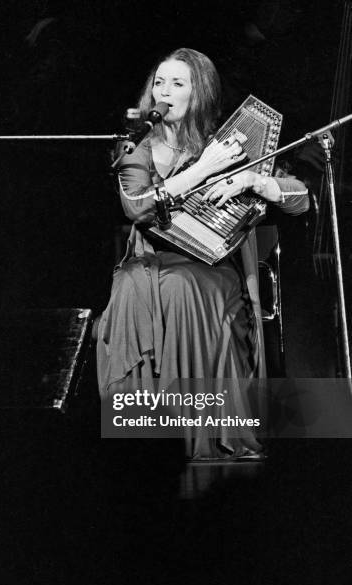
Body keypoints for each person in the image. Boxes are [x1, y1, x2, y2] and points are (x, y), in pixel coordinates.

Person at [97, 48, 309, 459]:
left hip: (210, 265)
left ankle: (207, 436)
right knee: (141, 287)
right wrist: (200, 169)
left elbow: (299, 199)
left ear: (201, 92)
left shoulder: (228, 142)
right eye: (159, 82)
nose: (165, 91)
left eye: (178, 83)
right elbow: (137, 206)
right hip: (149, 260)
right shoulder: (134, 148)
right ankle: (150, 438)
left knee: (189, 287)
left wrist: (255, 181)